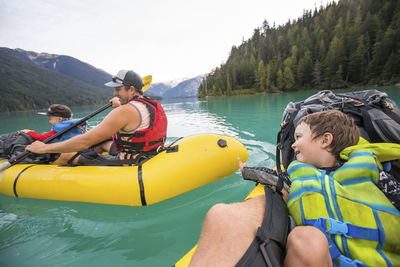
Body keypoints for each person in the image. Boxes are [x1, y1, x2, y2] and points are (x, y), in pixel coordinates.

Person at [189, 110, 400, 267]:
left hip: (382, 260)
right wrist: (246, 171)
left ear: (325, 140)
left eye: (299, 137)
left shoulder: (371, 169)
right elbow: (271, 176)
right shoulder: (295, 175)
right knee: (305, 238)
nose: (292, 144)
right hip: (325, 258)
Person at [26, 70, 168, 166]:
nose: (114, 93)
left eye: (118, 89)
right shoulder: (149, 104)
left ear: (131, 89)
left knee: (66, 155)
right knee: (103, 142)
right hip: (148, 153)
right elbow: (134, 118)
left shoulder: (124, 111)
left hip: (131, 161)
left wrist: (45, 148)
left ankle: (50, 169)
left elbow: (84, 142)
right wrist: (121, 101)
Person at [21, 104, 86, 142]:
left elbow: (42, 138)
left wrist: (29, 132)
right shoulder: (75, 125)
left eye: (50, 119)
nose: (49, 121)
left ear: (60, 119)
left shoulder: (59, 128)